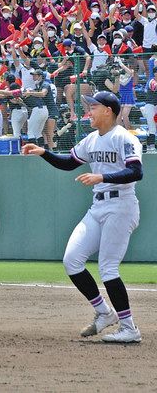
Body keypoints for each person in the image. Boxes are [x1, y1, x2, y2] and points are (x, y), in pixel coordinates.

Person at [23, 91, 143, 343]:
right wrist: (43, 152)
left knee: (108, 268)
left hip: (121, 206)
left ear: (108, 111)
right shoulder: (91, 139)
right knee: (72, 260)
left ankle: (129, 328)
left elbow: (136, 171)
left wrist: (102, 177)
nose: (89, 111)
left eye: (93, 107)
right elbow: (68, 163)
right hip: (98, 207)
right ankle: (103, 312)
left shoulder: (123, 138)